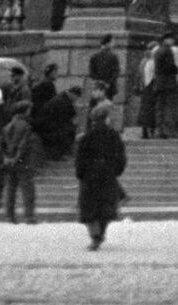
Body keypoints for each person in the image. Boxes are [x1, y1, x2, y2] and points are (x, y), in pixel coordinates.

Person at [76, 101, 126, 248]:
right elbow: (120, 157)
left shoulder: (87, 137)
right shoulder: (114, 136)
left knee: (89, 208)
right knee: (105, 208)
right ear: (106, 118)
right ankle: (100, 234)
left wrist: (81, 174)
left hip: (90, 177)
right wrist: (116, 171)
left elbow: (80, 159)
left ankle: (95, 235)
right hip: (107, 176)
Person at [0, 100, 39, 223]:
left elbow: (0, 144)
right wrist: (16, 158)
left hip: (9, 162)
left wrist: (6, 158)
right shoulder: (25, 126)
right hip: (23, 162)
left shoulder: (7, 126)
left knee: (11, 190)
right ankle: (29, 216)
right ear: (25, 111)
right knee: (28, 190)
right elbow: (23, 144)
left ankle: (9, 215)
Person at [88, 35, 122, 106]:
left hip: (98, 87)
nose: (113, 44)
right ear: (108, 43)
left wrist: (99, 81)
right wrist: (107, 83)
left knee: (95, 106)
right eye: (112, 42)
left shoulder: (94, 56)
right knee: (106, 107)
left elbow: (91, 72)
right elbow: (116, 72)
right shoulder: (113, 57)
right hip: (109, 87)